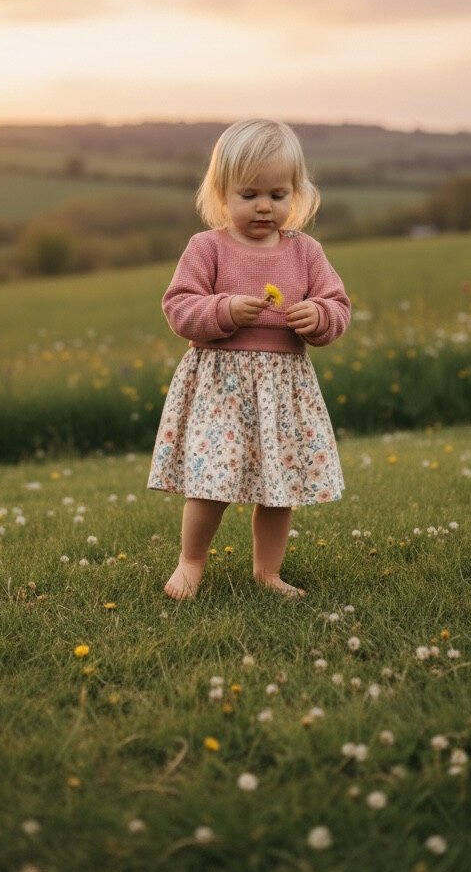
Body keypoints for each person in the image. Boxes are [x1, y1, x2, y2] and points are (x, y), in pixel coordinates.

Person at [148, 119, 351, 600]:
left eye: (278, 194)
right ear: (222, 194)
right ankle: (191, 563)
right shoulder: (207, 248)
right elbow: (178, 307)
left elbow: (339, 307)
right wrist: (224, 309)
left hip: (283, 388)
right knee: (212, 481)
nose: (265, 206)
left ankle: (267, 572)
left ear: (297, 194)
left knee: (277, 488)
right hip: (221, 385)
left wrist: (317, 316)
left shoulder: (305, 252)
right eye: (249, 194)